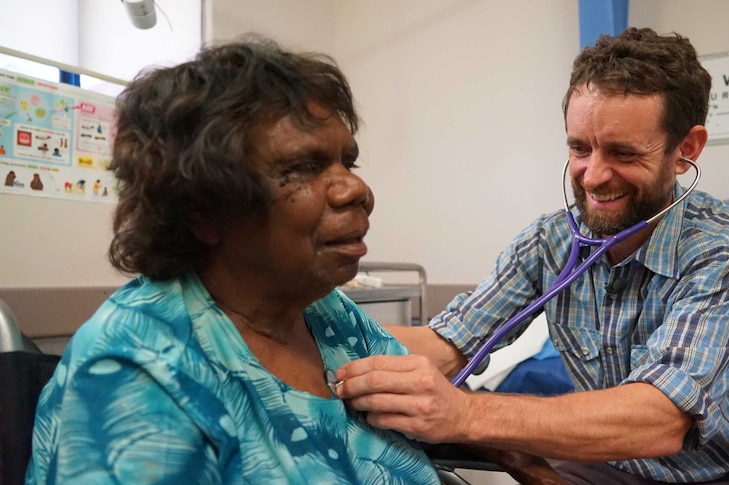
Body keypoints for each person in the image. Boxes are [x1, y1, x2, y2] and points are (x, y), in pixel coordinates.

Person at [335, 27, 729, 484]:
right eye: (579, 148)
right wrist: (311, 331)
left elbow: (660, 418)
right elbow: (448, 345)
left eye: (622, 152)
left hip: (713, 475)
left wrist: (464, 412)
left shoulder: (727, 248)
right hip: (602, 466)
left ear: (685, 150)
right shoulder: (549, 241)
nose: (592, 177)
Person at [24, 37, 444, 484]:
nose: (356, 191)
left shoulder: (325, 313)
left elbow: (430, 415)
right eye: (304, 167)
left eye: (348, 164)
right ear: (203, 209)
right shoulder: (138, 371)